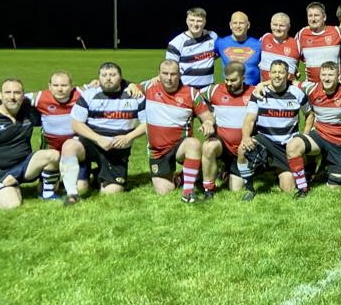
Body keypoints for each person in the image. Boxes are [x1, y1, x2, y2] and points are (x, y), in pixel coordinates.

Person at [59, 62, 147, 204]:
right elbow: (75, 124)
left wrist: (128, 137)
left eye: (112, 75)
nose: (108, 78)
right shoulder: (89, 95)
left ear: (121, 78)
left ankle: (98, 173)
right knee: (69, 145)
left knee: (111, 194)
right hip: (92, 143)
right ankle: (72, 195)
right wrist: (98, 138)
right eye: (104, 75)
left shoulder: (135, 96)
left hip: (117, 149)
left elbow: (147, 124)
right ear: (99, 77)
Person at [0, 78, 61, 208]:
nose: (12, 97)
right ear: (0, 95)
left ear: (23, 96)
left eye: (17, 93)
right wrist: (1, 176)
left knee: (53, 155)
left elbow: (55, 99)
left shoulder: (29, 112)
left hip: (25, 166)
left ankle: (46, 193)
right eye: (7, 93)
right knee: (13, 205)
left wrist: (89, 87)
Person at [141, 60, 215, 202]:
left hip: (180, 146)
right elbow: (126, 88)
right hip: (157, 150)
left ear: (180, 74)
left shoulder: (191, 93)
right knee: (164, 191)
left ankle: (188, 192)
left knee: (193, 143)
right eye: (165, 73)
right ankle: (180, 178)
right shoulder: (149, 87)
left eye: (173, 74)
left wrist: (208, 123)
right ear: (158, 74)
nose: (169, 78)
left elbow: (207, 117)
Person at [237, 60, 310, 200]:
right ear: (269, 74)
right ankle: (249, 188)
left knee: (288, 189)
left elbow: (310, 114)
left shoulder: (297, 93)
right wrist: (246, 137)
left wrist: (305, 136)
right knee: (242, 148)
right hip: (264, 141)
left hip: (286, 147)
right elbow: (249, 119)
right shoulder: (259, 93)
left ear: (288, 75)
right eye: (274, 72)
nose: (277, 76)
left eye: (281, 72)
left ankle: (276, 171)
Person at [285, 61, 341, 196]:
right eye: (323, 74)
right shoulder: (311, 88)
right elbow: (287, 81)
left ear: (338, 76)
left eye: (331, 75)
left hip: (340, 143)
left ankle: (332, 167)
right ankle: (302, 188)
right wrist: (262, 84)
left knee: (333, 189)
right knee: (293, 146)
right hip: (319, 136)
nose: (327, 78)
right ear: (319, 76)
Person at [200, 61, 255, 196]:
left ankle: (226, 171)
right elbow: (193, 96)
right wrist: (207, 119)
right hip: (222, 145)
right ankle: (209, 189)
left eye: (233, 80)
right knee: (208, 146)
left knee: (235, 189)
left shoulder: (254, 93)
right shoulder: (213, 90)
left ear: (243, 78)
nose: (229, 83)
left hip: (243, 148)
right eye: (226, 79)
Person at [165, 6, 218, 89]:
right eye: (192, 20)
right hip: (186, 91)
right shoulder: (176, 43)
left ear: (205, 22)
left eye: (199, 21)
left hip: (208, 90)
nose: (195, 24)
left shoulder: (213, 37)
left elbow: (220, 52)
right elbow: (169, 69)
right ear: (186, 21)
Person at [296, 2, 341, 83]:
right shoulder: (301, 34)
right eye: (310, 16)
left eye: (316, 15)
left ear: (324, 17)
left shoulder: (336, 31)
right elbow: (294, 56)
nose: (313, 19)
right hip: (311, 86)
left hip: (336, 85)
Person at [215, 11, 261, 85]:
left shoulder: (258, 44)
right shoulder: (220, 43)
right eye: (235, 23)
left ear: (248, 25)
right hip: (229, 91)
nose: (238, 26)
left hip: (252, 92)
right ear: (230, 25)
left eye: (241, 23)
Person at [258, 12, 301, 82]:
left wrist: (297, 72)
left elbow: (308, 63)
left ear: (288, 27)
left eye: (281, 26)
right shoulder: (264, 38)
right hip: (265, 90)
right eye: (275, 25)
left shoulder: (297, 44)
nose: (278, 28)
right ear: (270, 25)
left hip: (288, 90)